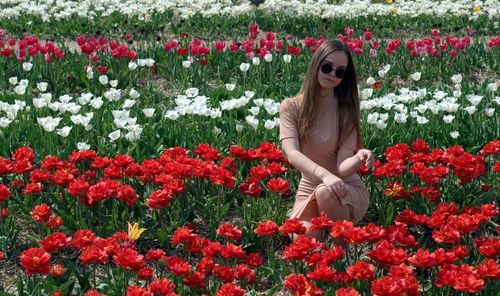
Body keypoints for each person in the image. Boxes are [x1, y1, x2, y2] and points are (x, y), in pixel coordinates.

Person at [279, 39, 374, 242]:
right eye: (327, 67)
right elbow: (292, 153)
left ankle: (342, 248)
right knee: (305, 240)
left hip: (343, 189)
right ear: (316, 64)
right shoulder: (291, 107)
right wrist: (323, 175)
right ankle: (327, 243)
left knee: (326, 193)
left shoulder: (345, 110)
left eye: (340, 72)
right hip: (309, 187)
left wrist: (359, 157)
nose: (332, 74)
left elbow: (341, 168)